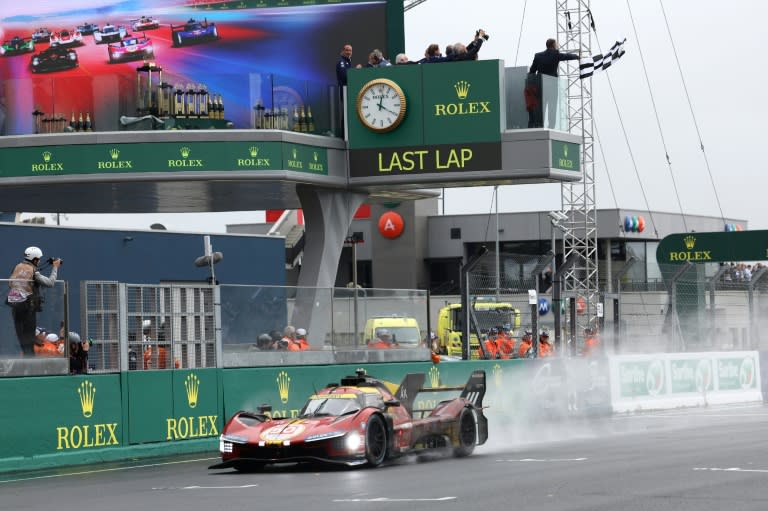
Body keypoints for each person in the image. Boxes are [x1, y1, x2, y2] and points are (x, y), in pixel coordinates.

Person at [6, 246, 61, 356]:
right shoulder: (33, 271)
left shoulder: (17, 267)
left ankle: (26, 356)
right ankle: (30, 360)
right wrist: (55, 267)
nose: (40, 261)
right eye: (39, 259)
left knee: (21, 336)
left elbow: (10, 283)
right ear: (35, 260)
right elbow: (50, 283)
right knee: (29, 337)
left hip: (15, 307)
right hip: (27, 308)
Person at [529, 38, 579, 128]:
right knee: (552, 107)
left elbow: (532, 71)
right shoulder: (556, 54)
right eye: (556, 44)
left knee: (541, 107)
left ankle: (539, 126)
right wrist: (577, 56)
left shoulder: (538, 56)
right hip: (552, 86)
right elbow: (567, 56)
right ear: (553, 45)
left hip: (540, 86)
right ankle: (551, 127)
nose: (557, 45)